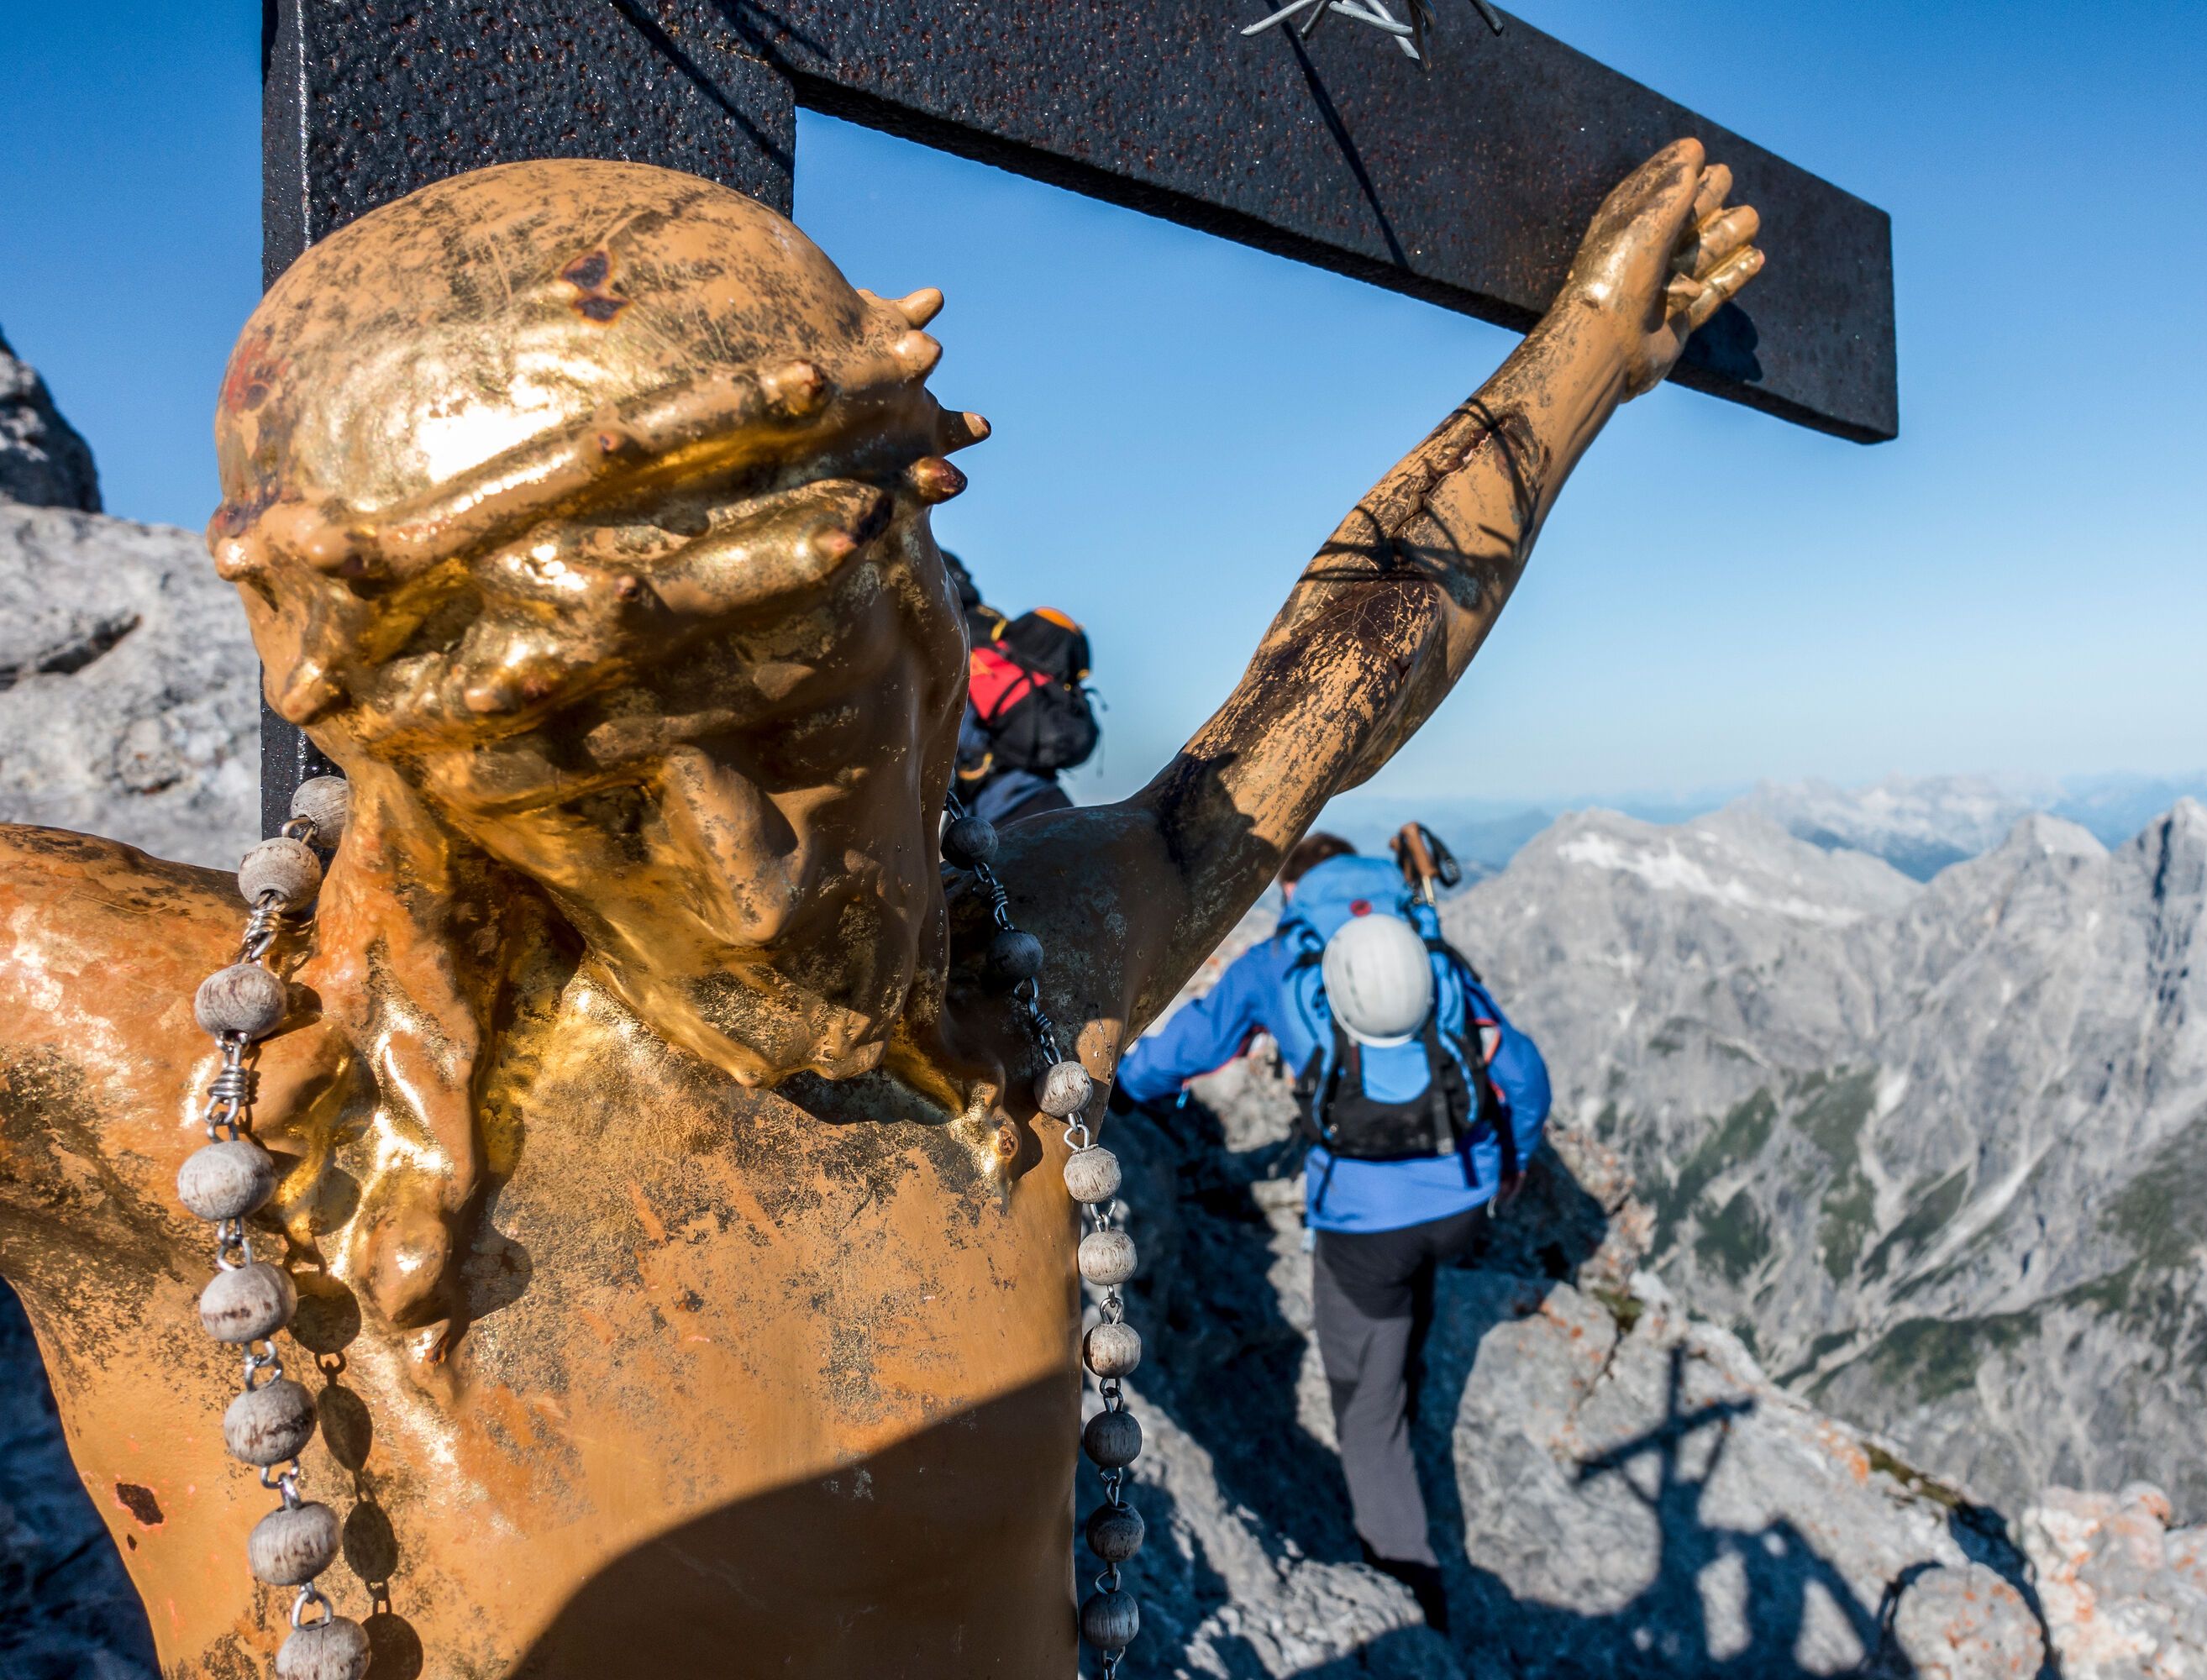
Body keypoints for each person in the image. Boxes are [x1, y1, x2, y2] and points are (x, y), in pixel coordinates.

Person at [0, 137, 1759, 1676]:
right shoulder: (177, 1086)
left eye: (802, 716)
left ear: (930, 620)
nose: (749, 881)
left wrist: (1583, 359)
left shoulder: (1011, 982)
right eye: (581, 782)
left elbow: (1334, 683)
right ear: (415, 782)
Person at [1112, 830, 1551, 1630]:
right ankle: (1405, 1356)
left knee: (1368, 1414)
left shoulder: (1277, 962)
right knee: (1408, 1296)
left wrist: (1119, 1086)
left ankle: (1412, 1588)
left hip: (1363, 1226)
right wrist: (1512, 1163)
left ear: (1290, 890)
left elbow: (1183, 1052)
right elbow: (1521, 1071)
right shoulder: (1427, 946)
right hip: (1464, 1200)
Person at [939, 550, 1101, 826]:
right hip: (1048, 803)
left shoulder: (962, 653)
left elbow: (959, 743)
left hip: (1000, 816)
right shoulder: (993, 640)